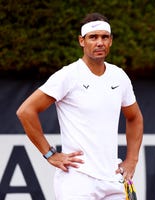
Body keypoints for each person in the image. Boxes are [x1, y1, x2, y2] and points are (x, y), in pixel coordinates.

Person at [16, 12, 143, 199]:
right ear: (81, 41)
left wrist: (132, 159)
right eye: (93, 37)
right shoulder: (68, 75)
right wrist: (50, 154)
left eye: (104, 37)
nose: (99, 42)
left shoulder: (119, 76)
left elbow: (134, 117)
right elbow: (26, 111)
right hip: (77, 180)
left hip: (113, 177)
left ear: (111, 41)